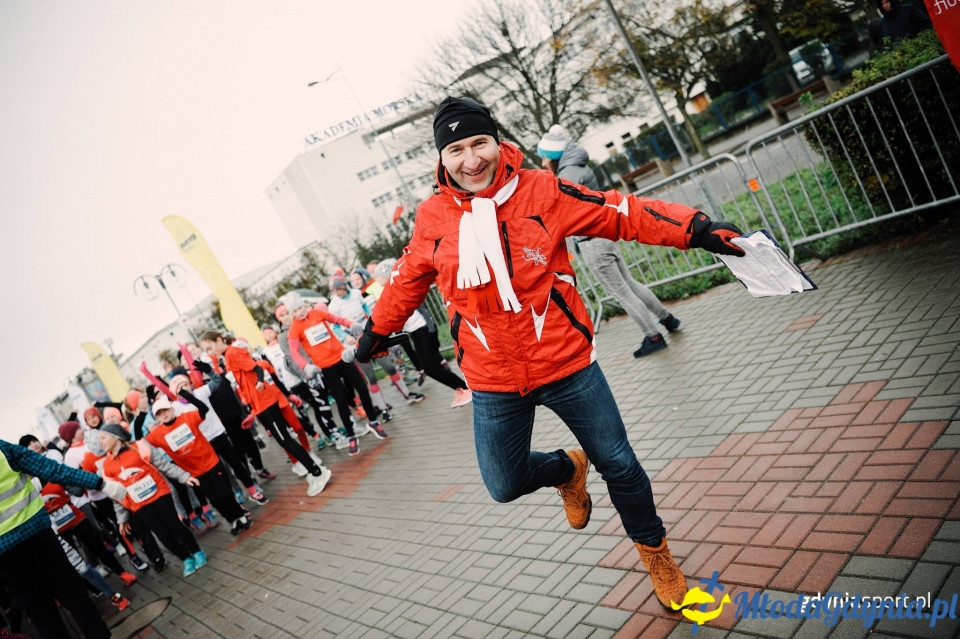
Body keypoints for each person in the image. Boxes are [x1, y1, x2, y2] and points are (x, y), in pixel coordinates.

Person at [355, 96, 745, 610]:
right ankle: (566, 470)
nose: (471, 160)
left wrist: (694, 228)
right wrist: (376, 331)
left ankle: (657, 556)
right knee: (503, 482)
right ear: (441, 160)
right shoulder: (433, 217)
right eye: (456, 149)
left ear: (498, 143)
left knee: (622, 465)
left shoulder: (542, 188)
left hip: (566, 364)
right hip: (492, 377)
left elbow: (620, 213)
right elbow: (407, 279)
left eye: (479, 143)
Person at [537, 124, 681, 357]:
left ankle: (652, 336)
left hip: (592, 241)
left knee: (622, 292)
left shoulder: (568, 175)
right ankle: (668, 320)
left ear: (553, 157)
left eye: (544, 158)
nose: (543, 163)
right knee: (630, 284)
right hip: (603, 236)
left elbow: (562, 211)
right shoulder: (576, 168)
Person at [0, 438, 129, 639]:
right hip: (36, 534)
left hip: (6, 553)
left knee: (40, 611)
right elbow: (51, 469)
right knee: (72, 592)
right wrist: (100, 483)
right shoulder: (2, 449)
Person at [199, 330, 332, 495]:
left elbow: (257, 369)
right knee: (284, 439)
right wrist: (254, 412)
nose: (209, 351)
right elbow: (247, 382)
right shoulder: (228, 356)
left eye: (210, 347)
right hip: (261, 405)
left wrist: (260, 382)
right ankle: (314, 471)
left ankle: (317, 472)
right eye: (206, 350)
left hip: (266, 402)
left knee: (285, 439)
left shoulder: (233, 352)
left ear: (219, 340)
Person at [280, 292, 388, 456]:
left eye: (300, 308)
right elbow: (294, 353)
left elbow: (337, 319)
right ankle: (351, 434)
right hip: (326, 367)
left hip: (342, 357)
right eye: (295, 311)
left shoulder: (317, 313)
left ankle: (373, 421)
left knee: (362, 387)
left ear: (305, 305)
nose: (299, 313)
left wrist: (351, 324)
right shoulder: (294, 329)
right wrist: (305, 366)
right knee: (340, 400)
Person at [97, 423, 208, 578]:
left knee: (175, 526)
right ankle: (185, 558)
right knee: (162, 534)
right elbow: (116, 495)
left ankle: (197, 552)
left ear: (116, 436)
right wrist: (122, 519)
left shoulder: (139, 447)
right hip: (140, 505)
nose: (100, 442)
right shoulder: (106, 467)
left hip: (160, 493)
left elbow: (163, 465)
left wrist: (184, 477)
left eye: (103, 437)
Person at [144, 394, 254, 535]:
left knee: (225, 493)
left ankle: (241, 516)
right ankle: (232, 520)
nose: (163, 414)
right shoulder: (157, 434)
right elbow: (141, 445)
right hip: (194, 474)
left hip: (211, 463)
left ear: (171, 409)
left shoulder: (187, 417)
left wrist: (185, 394)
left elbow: (203, 409)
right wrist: (146, 426)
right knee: (214, 500)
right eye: (159, 414)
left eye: (165, 410)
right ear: (157, 418)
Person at [371, 259, 472, 408]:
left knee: (432, 366)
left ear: (387, 274)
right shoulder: (390, 291)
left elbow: (399, 313)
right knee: (428, 368)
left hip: (424, 328)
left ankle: (464, 388)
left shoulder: (400, 288)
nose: (376, 280)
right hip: (415, 332)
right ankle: (461, 388)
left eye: (378, 276)